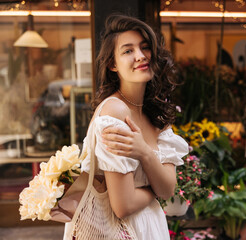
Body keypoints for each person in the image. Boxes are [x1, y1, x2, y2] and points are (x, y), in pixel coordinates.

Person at [64, 14, 189, 239]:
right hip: (121, 230)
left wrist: (143, 151)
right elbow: (124, 204)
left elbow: (168, 189)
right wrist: (155, 190)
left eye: (145, 47)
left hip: (150, 226)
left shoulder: (156, 115)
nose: (141, 56)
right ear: (113, 64)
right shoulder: (115, 111)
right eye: (128, 51)